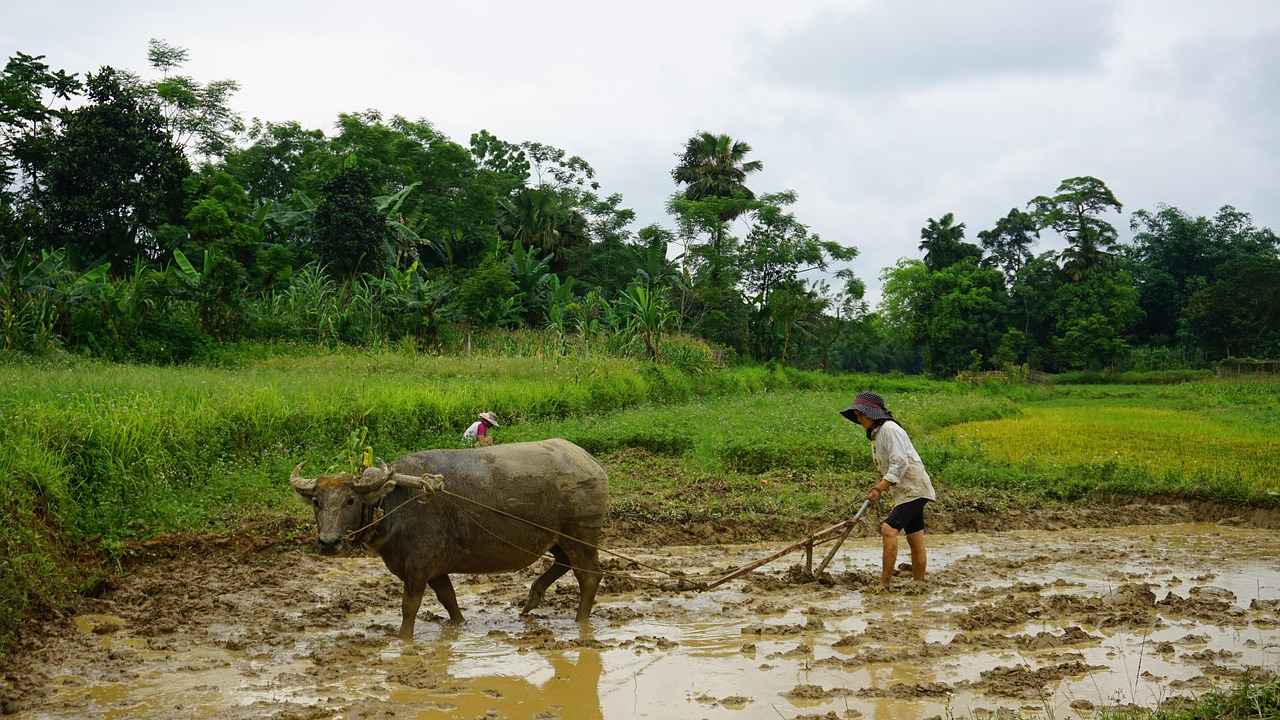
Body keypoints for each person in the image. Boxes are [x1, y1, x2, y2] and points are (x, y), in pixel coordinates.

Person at [840, 391, 937, 590]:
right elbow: (892, 465)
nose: (858, 420)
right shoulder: (878, 434)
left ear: (870, 414)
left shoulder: (890, 430)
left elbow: (899, 462)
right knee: (915, 536)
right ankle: (918, 584)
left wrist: (881, 487)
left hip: (914, 488)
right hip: (906, 491)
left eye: (860, 415)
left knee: (888, 529)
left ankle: (884, 584)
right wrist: (881, 486)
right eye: (857, 416)